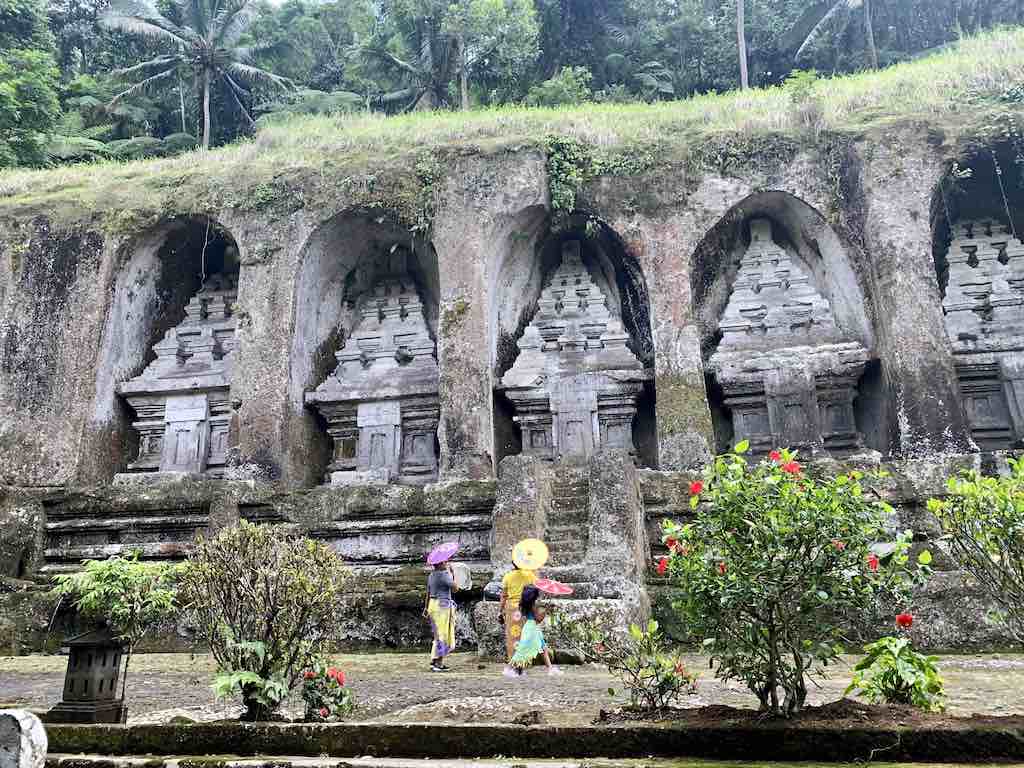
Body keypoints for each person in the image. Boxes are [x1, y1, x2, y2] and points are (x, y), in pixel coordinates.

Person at [506, 584, 561, 677]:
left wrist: (545, 608)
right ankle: (511, 668)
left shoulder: (525, 605)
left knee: (543, 648)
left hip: (530, 627)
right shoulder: (533, 606)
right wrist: (546, 610)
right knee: (523, 649)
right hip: (532, 629)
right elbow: (538, 619)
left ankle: (550, 669)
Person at [499, 558, 536, 666]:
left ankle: (513, 660)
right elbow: (535, 590)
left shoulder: (508, 576)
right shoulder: (530, 575)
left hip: (511, 608)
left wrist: (500, 611)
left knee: (512, 636)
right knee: (525, 634)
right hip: (525, 607)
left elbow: (504, 595)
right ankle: (525, 661)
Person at [423, 560, 458, 672]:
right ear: (441, 564)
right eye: (445, 562)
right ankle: (438, 662)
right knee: (443, 634)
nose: (447, 563)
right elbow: (455, 588)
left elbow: (428, 592)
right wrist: (453, 574)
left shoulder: (431, 575)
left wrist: (425, 607)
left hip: (432, 605)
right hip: (442, 606)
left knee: (437, 634)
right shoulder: (444, 575)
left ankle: (434, 660)